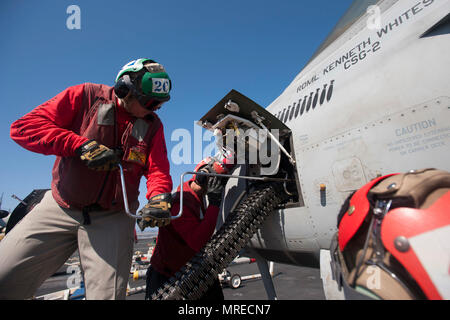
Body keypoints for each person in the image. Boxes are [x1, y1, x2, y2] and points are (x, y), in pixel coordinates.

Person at [0, 58, 173, 300]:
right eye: (149, 102)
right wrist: (79, 146)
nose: (153, 110)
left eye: (159, 105)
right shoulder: (85, 96)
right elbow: (23, 128)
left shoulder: (152, 125)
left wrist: (158, 198)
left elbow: (158, 170)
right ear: (124, 88)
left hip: (113, 216)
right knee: (4, 276)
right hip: (61, 207)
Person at [145, 154, 234, 300]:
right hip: (167, 276)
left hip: (191, 269)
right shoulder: (181, 202)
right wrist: (214, 203)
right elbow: (197, 241)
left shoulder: (197, 198)